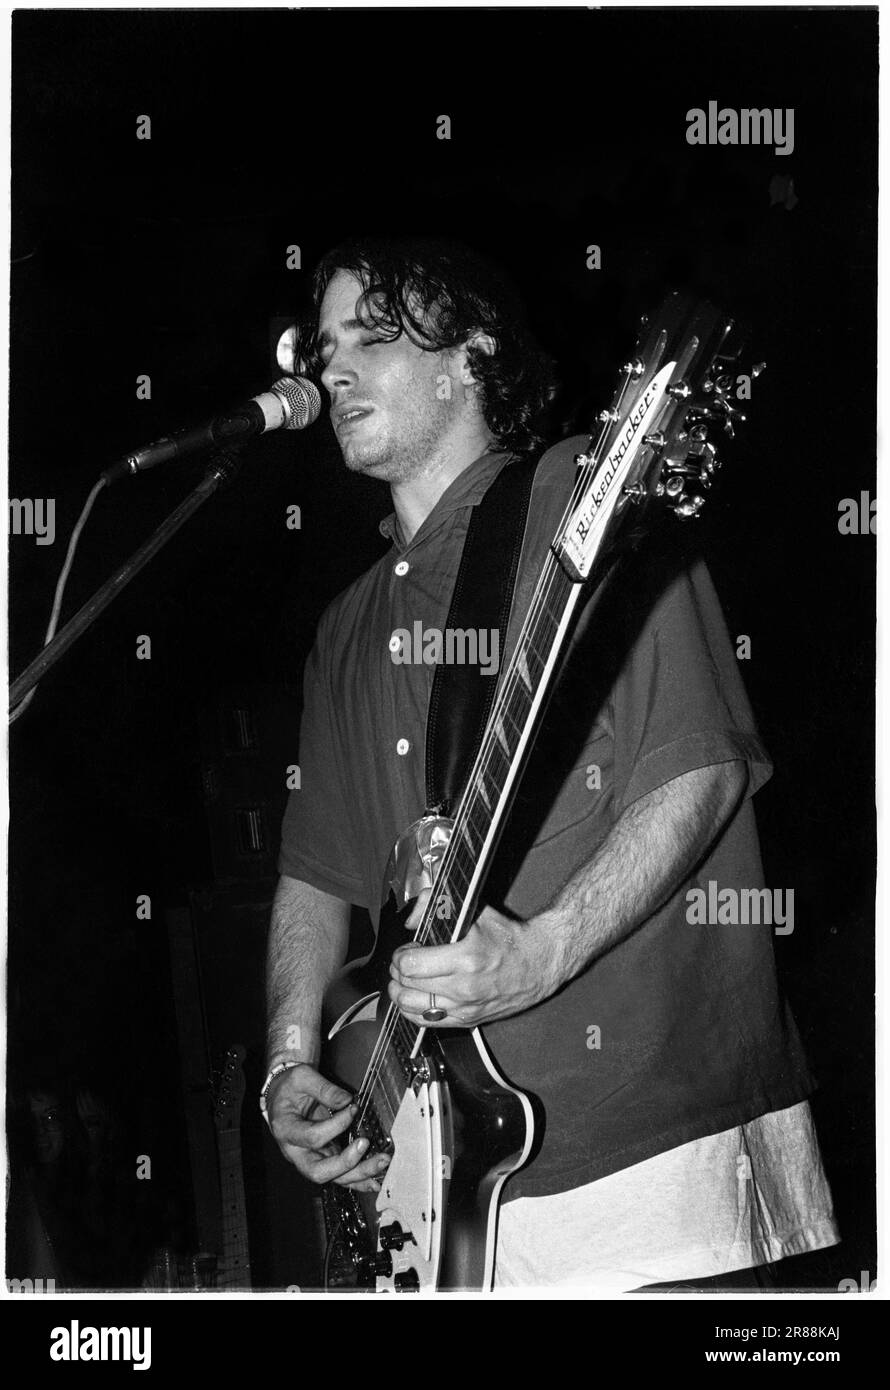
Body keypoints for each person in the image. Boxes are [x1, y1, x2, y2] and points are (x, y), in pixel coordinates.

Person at [262, 237, 839, 1290]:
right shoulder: (344, 628)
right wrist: (291, 1058)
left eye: (371, 337)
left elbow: (700, 767)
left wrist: (545, 951)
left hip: (650, 1152)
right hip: (450, 1201)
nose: (331, 368)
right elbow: (314, 876)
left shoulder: (584, 495)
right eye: (323, 344)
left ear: (471, 355)